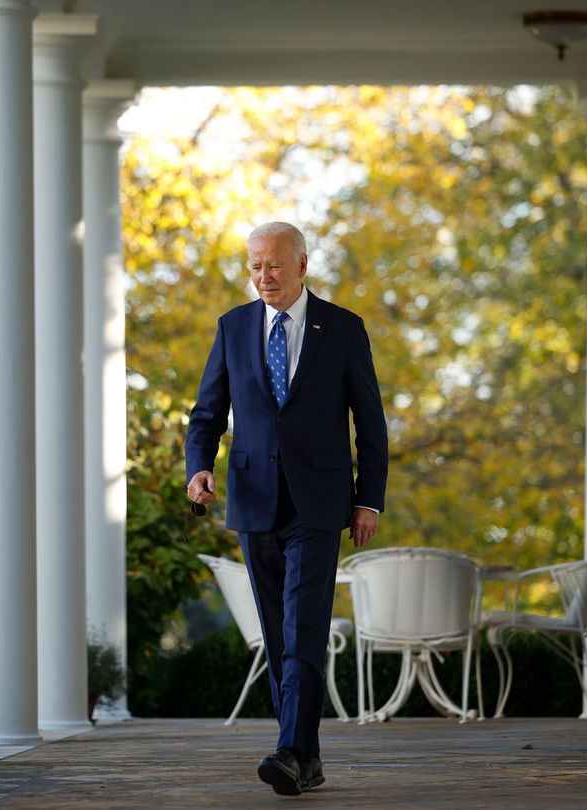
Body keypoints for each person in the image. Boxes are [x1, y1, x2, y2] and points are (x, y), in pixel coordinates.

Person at [185, 221, 388, 795]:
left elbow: (369, 422)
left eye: (273, 265)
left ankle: (290, 751)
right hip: (253, 502)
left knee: (303, 628)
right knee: (278, 634)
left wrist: (368, 499)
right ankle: (306, 758)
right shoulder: (233, 327)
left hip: (321, 505)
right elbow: (207, 413)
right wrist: (198, 465)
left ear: (301, 266)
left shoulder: (344, 329)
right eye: (254, 266)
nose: (262, 277)